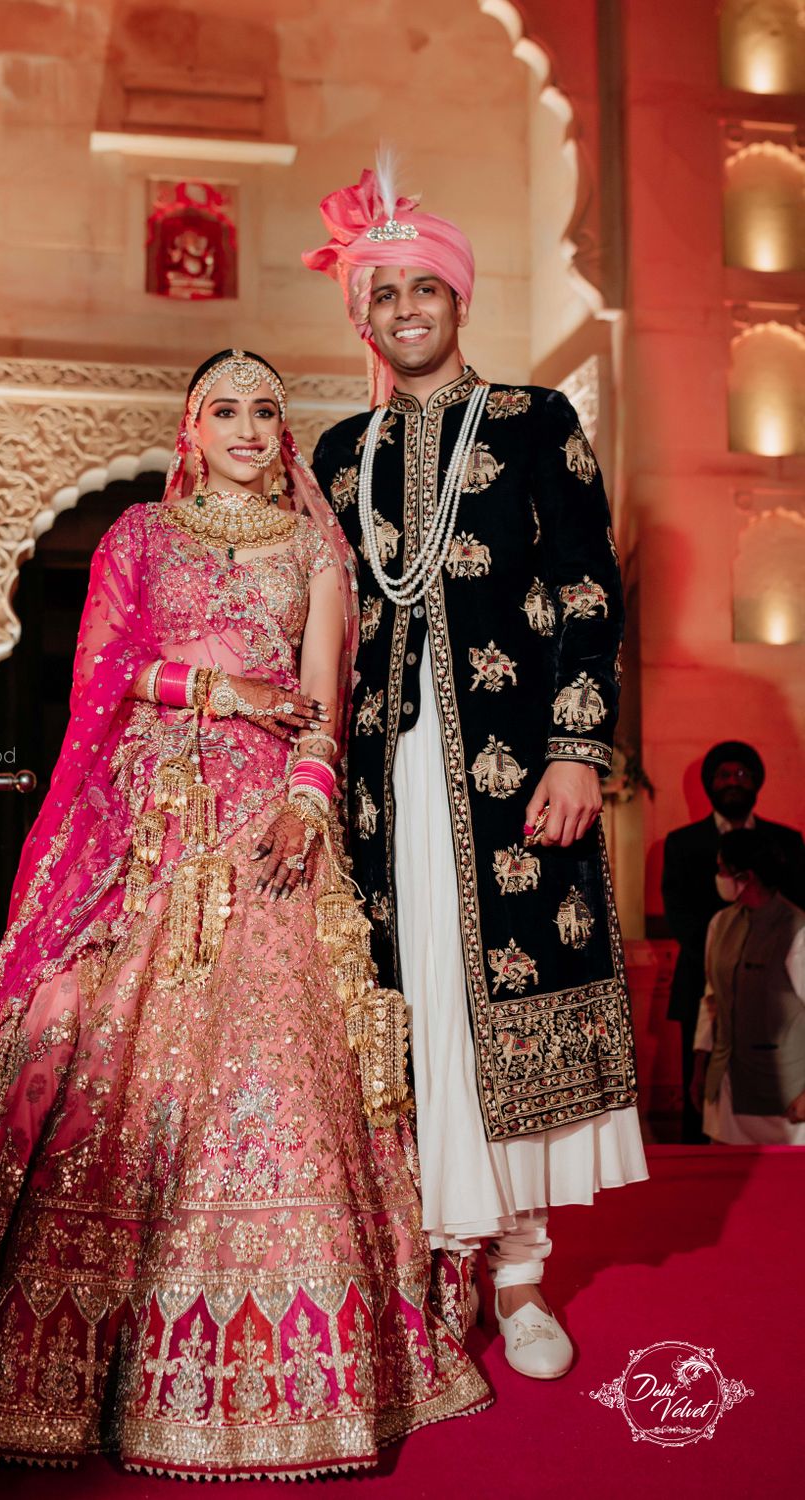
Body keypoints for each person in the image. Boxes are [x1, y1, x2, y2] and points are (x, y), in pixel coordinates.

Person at [0, 350, 491, 1475]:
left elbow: (327, 699)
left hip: (269, 821)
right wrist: (222, 691)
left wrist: (308, 806)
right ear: (191, 426)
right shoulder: (138, 537)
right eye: (224, 409)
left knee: (283, 1059)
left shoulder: (317, 549)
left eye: (266, 410)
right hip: (147, 820)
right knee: (83, 1044)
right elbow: (102, 670)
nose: (247, 426)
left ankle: (293, 1367)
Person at [303, 164, 648, 1381]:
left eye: (420, 286)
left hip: (510, 782)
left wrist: (572, 748)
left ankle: (519, 1278)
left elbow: (590, 590)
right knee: (417, 1016)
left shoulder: (536, 422)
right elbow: (321, 622)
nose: (402, 306)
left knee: (497, 1002)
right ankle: (432, 1264)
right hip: (380, 788)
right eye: (379, 292)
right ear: (362, 317)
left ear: (456, 296)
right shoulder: (339, 453)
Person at [663, 740, 805, 1144]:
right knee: (706, 1099)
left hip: (779, 983)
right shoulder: (684, 843)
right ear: (710, 784)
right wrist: (725, 954)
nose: (733, 782)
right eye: (724, 775)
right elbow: (680, 913)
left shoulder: (787, 842)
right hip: (707, 977)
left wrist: (759, 948)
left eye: (741, 774)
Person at [691, 828, 805, 1144]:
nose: (718, 876)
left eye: (722, 869)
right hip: (726, 1081)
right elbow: (711, 998)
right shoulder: (721, 923)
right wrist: (701, 1065)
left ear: (746, 876)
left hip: (785, 1092)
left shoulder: (797, 930)